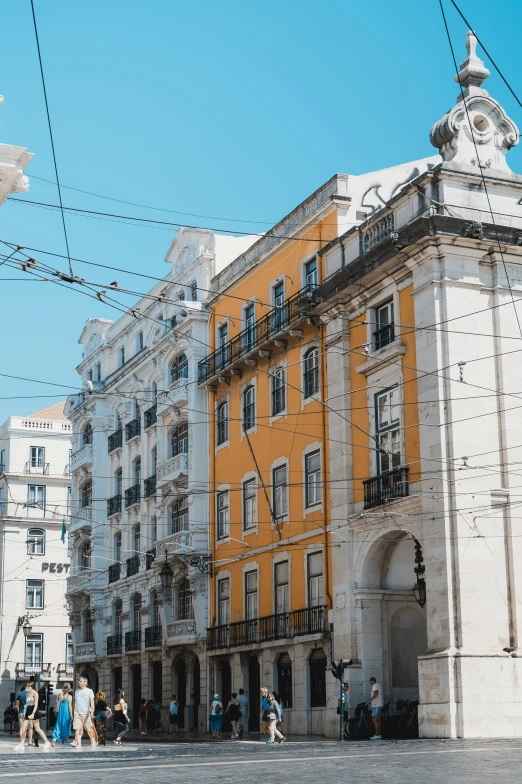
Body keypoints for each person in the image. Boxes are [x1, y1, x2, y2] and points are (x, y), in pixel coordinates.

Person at [13, 682, 50, 750]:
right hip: (28, 711)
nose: (27, 688)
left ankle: (47, 742)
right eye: (27, 686)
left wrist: (33, 713)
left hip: (33, 711)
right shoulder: (27, 694)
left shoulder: (35, 693)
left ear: (31, 687)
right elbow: (26, 705)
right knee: (24, 728)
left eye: (28, 686)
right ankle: (21, 744)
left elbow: (36, 705)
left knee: (37, 728)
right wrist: (24, 713)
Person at [71, 676, 96, 748]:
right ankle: (79, 744)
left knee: (89, 729)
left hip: (86, 713)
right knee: (77, 729)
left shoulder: (89, 691)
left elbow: (92, 702)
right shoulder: (76, 691)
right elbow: (75, 702)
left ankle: (92, 740)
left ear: (85, 683)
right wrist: (74, 712)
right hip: (77, 713)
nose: (79, 682)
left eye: (81, 681)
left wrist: (92, 710)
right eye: (79, 681)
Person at [51, 683, 73, 747]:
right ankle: (65, 742)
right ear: (69, 689)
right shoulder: (69, 696)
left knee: (58, 726)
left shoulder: (59, 695)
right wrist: (71, 715)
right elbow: (70, 706)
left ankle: (55, 738)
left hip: (60, 712)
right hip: (66, 713)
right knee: (66, 726)